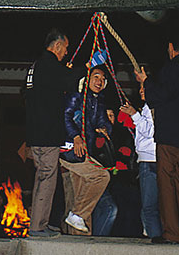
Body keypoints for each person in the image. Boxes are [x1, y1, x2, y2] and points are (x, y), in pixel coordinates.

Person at [134, 32, 179, 243]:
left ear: (171, 48)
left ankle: (172, 233)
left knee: (166, 184)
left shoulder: (172, 67)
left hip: (169, 136)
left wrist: (146, 82)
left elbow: (160, 96)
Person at [24, 28, 81, 238]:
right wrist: (86, 67)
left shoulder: (36, 66)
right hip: (46, 133)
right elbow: (72, 80)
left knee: (43, 177)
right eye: (65, 48)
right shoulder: (49, 64)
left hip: (35, 131)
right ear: (57, 45)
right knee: (47, 178)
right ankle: (37, 226)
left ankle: (40, 223)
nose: (66, 52)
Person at [60, 66, 116, 235]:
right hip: (71, 150)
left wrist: (105, 128)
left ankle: (80, 234)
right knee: (101, 175)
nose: (99, 81)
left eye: (102, 79)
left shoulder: (97, 100)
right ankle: (76, 215)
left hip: (84, 151)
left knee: (81, 198)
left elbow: (101, 121)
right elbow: (65, 116)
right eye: (96, 77)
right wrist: (76, 136)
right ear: (87, 79)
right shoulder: (76, 96)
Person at [120, 81, 162, 240]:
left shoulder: (154, 107)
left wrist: (134, 115)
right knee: (150, 206)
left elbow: (153, 132)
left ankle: (156, 240)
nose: (141, 91)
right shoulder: (146, 108)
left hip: (151, 160)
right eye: (141, 88)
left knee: (149, 207)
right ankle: (152, 233)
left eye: (146, 87)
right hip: (147, 159)